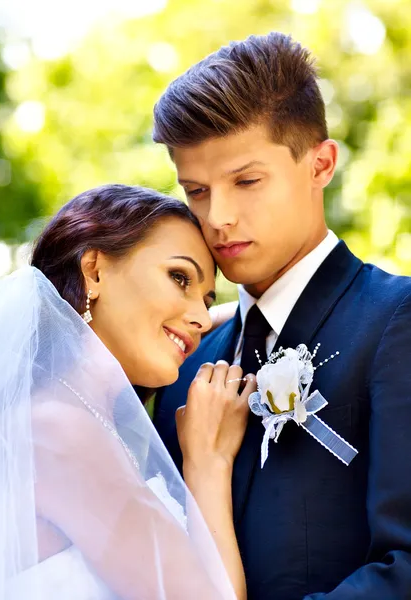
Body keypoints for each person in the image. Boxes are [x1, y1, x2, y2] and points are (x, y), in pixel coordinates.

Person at [152, 32, 411, 599]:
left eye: (246, 181)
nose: (217, 218)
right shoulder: (178, 378)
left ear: (321, 164)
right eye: (196, 190)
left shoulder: (397, 320)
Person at [0, 184, 256, 600]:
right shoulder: (59, 431)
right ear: (95, 270)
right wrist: (208, 463)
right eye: (179, 278)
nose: (200, 318)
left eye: (207, 301)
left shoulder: (63, 416)